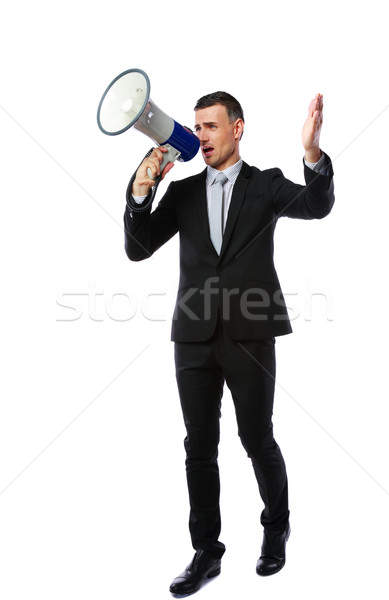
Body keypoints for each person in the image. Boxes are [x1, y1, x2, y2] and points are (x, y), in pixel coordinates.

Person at [123, 91, 335, 596]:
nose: (201, 137)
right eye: (197, 128)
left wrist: (312, 155)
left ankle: (276, 527)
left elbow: (317, 206)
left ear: (237, 129)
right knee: (199, 447)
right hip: (193, 338)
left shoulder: (265, 186)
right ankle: (206, 553)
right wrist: (139, 194)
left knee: (256, 437)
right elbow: (137, 248)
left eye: (211, 127)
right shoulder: (184, 193)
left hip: (250, 334)